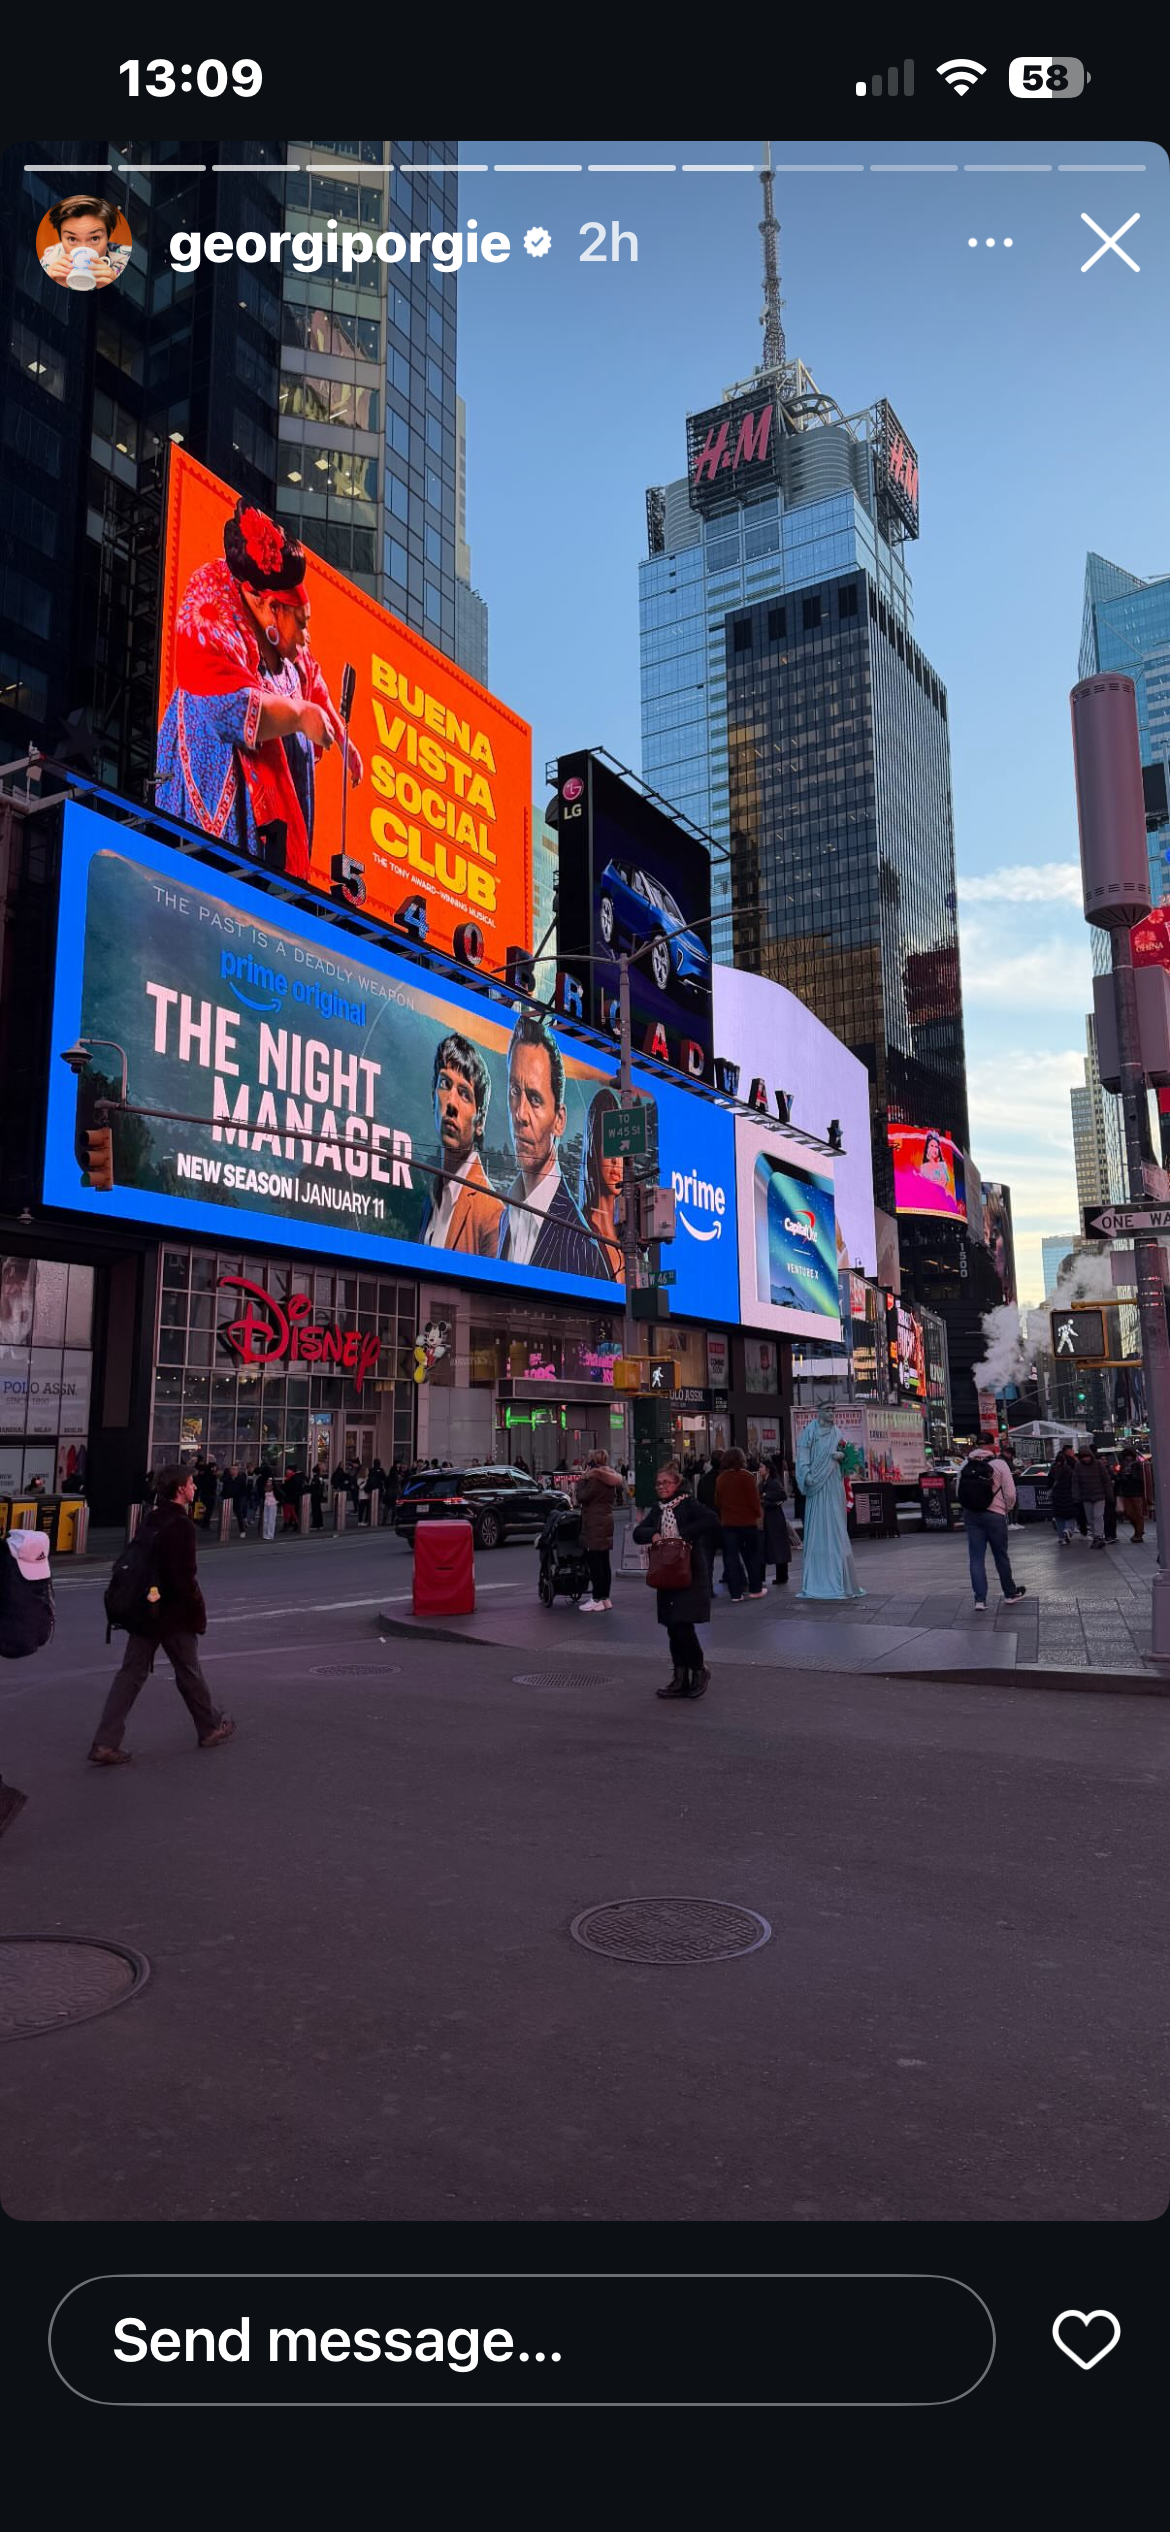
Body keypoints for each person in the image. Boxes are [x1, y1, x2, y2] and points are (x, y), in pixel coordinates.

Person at [156, 498, 362, 881]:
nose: (306, 636)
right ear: (269, 608)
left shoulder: (286, 642)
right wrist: (299, 716)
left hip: (275, 833)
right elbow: (226, 709)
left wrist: (340, 734)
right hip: (220, 803)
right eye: (299, 623)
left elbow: (311, 679)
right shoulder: (207, 613)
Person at [88, 1467, 235, 1763]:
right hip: (171, 1614)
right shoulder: (181, 1525)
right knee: (189, 1671)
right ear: (181, 1489)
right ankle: (209, 1727)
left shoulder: (152, 1518)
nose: (194, 1488)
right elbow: (184, 1578)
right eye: (191, 1483)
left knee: (130, 1674)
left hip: (144, 1610)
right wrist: (197, 1610)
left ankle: (105, 1741)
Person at [496, 1013, 596, 1277]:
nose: (520, 1114)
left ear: (559, 1120)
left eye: (535, 1099)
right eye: (515, 1092)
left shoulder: (582, 1244)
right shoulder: (506, 1217)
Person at [633, 1460, 721, 1700]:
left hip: (689, 1572)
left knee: (683, 1624)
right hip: (666, 1574)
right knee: (673, 1626)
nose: (661, 1487)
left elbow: (711, 1520)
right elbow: (637, 1532)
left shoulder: (688, 1504)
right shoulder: (658, 1510)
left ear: (677, 1484)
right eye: (658, 1483)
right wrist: (654, 1533)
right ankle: (680, 1677)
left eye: (666, 1483)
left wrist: (682, 1535)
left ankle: (699, 1670)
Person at [418, 1031, 503, 1255]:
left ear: (480, 1121)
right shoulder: (431, 1194)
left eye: (465, 1094)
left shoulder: (491, 1213)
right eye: (445, 1083)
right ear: (432, 1095)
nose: (451, 1103)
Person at [794, 1403, 866, 1601]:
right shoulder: (809, 1433)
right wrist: (806, 1473)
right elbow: (802, 1456)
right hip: (817, 1485)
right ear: (819, 1412)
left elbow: (848, 1456)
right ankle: (820, 1579)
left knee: (836, 1528)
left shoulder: (836, 1432)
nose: (832, 1413)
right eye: (828, 1410)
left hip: (833, 1483)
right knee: (817, 1527)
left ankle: (838, 1579)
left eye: (833, 1410)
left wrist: (842, 1455)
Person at [956, 1441, 1027, 1611]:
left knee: (976, 1558)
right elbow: (1010, 1493)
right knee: (1000, 1555)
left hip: (972, 1516)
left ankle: (980, 1600)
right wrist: (1005, 1509)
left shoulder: (966, 1464)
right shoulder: (1000, 1464)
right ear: (990, 1447)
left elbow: (959, 1491)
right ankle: (1009, 1593)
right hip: (995, 1515)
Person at [576, 1086, 624, 1280]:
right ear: (594, 1150)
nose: (615, 1161)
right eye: (609, 1148)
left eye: (621, 1149)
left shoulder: (632, 1238)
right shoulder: (579, 1231)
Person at [41, 193, 129, 290]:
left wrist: (110, 289)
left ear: (108, 236)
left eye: (95, 238)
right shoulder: (50, 259)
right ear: (61, 238)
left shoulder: (126, 261)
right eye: (72, 239)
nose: (83, 248)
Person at [714, 1446, 767, 1601]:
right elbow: (754, 1500)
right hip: (747, 1523)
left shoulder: (721, 1478)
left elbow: (717, 1501)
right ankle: (755, 1589)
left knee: (731, 1558)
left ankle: (735, 1594)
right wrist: (758, 1515)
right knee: (751, 1557)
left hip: (728, 1524)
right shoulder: (748, 1477)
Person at [575, 1448, 623, 1612]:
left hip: (594, 1522)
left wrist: (582, 1479)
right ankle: (605, 1598)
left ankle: (596, 1598)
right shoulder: (610, 1477)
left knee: (595, 1563)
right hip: (606, 1520)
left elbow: (582, 1496)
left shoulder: (595, 1479)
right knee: (604, 1562)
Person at [761, 1454, 793, 1587]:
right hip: (769, 1518)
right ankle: (779, 1575)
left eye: (761, 1467)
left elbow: (782, 1496)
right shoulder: (764, 1482)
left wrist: (765, 1497)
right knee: (773, 1546)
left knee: (777, 1546)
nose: (759, 1469)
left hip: (774, 1519)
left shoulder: (773, 1482)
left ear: (768, 1469)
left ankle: (782, 1575)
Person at [1075, 1445, 1112, 1550]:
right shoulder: (1078, 1466)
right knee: (1090, 1518)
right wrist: (1076, 1496)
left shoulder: (1098, 1464)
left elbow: (1106, 1481)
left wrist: (1109, 1495)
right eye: (1083, 1457)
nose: (1085, 1459)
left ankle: (1098, 1537)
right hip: (1086, 1496)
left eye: (1086, 1456)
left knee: (1098, 1516)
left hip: (1099, 1495)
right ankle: (1096, 1536)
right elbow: (1076, 1482)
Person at [1049, 1442, 1080, 1546]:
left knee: (1059, 1517)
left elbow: (1048, 1483)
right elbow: (1074, 1482)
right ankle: (1068, 1530)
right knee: (1070, 1515)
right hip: (1068, 1495)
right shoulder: (1069, 1471)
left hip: (1056, 1496)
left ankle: (1061, 1537)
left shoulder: (1053, 1470)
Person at [1115, 1446, 1146, 1542]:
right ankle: (1138, 1530)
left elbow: (1140, 1478)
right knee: (1128, 1513)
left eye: (1130, 1456)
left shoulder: (1137, 1465)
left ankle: (1139, 1534)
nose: (1128, 1458)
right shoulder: (1122, 1466)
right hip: (1126, 1492)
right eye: (1126, 1456)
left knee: (1138, 1513)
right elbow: (1118, 1477)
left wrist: (1129, 1477)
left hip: (1136, 1492)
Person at [230, 1462, 250, 1538]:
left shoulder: (241, 1479)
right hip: (229, 1498)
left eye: (234, 1469)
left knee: (239, 1515)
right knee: (225, 1514)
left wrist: (241, 1498)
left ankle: (242, 1531)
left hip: (238, 1499)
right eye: (231, 1469)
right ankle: (224, 1530)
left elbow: (244, 1489)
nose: (232, 1471)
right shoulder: (228, 1478)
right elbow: (225, 1488)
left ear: (237, 1470)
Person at [261, 1472, 279, 1542]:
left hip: (273, 1504)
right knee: (265, 1519)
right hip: (266, 1504)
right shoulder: (265, 1488)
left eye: (270, 1481)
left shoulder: (275, 1489)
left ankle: (270, 1534)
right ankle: (265, 1534)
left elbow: (279, 1495)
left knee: (271, 1520)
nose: (268, 1483)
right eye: (268, 1481)